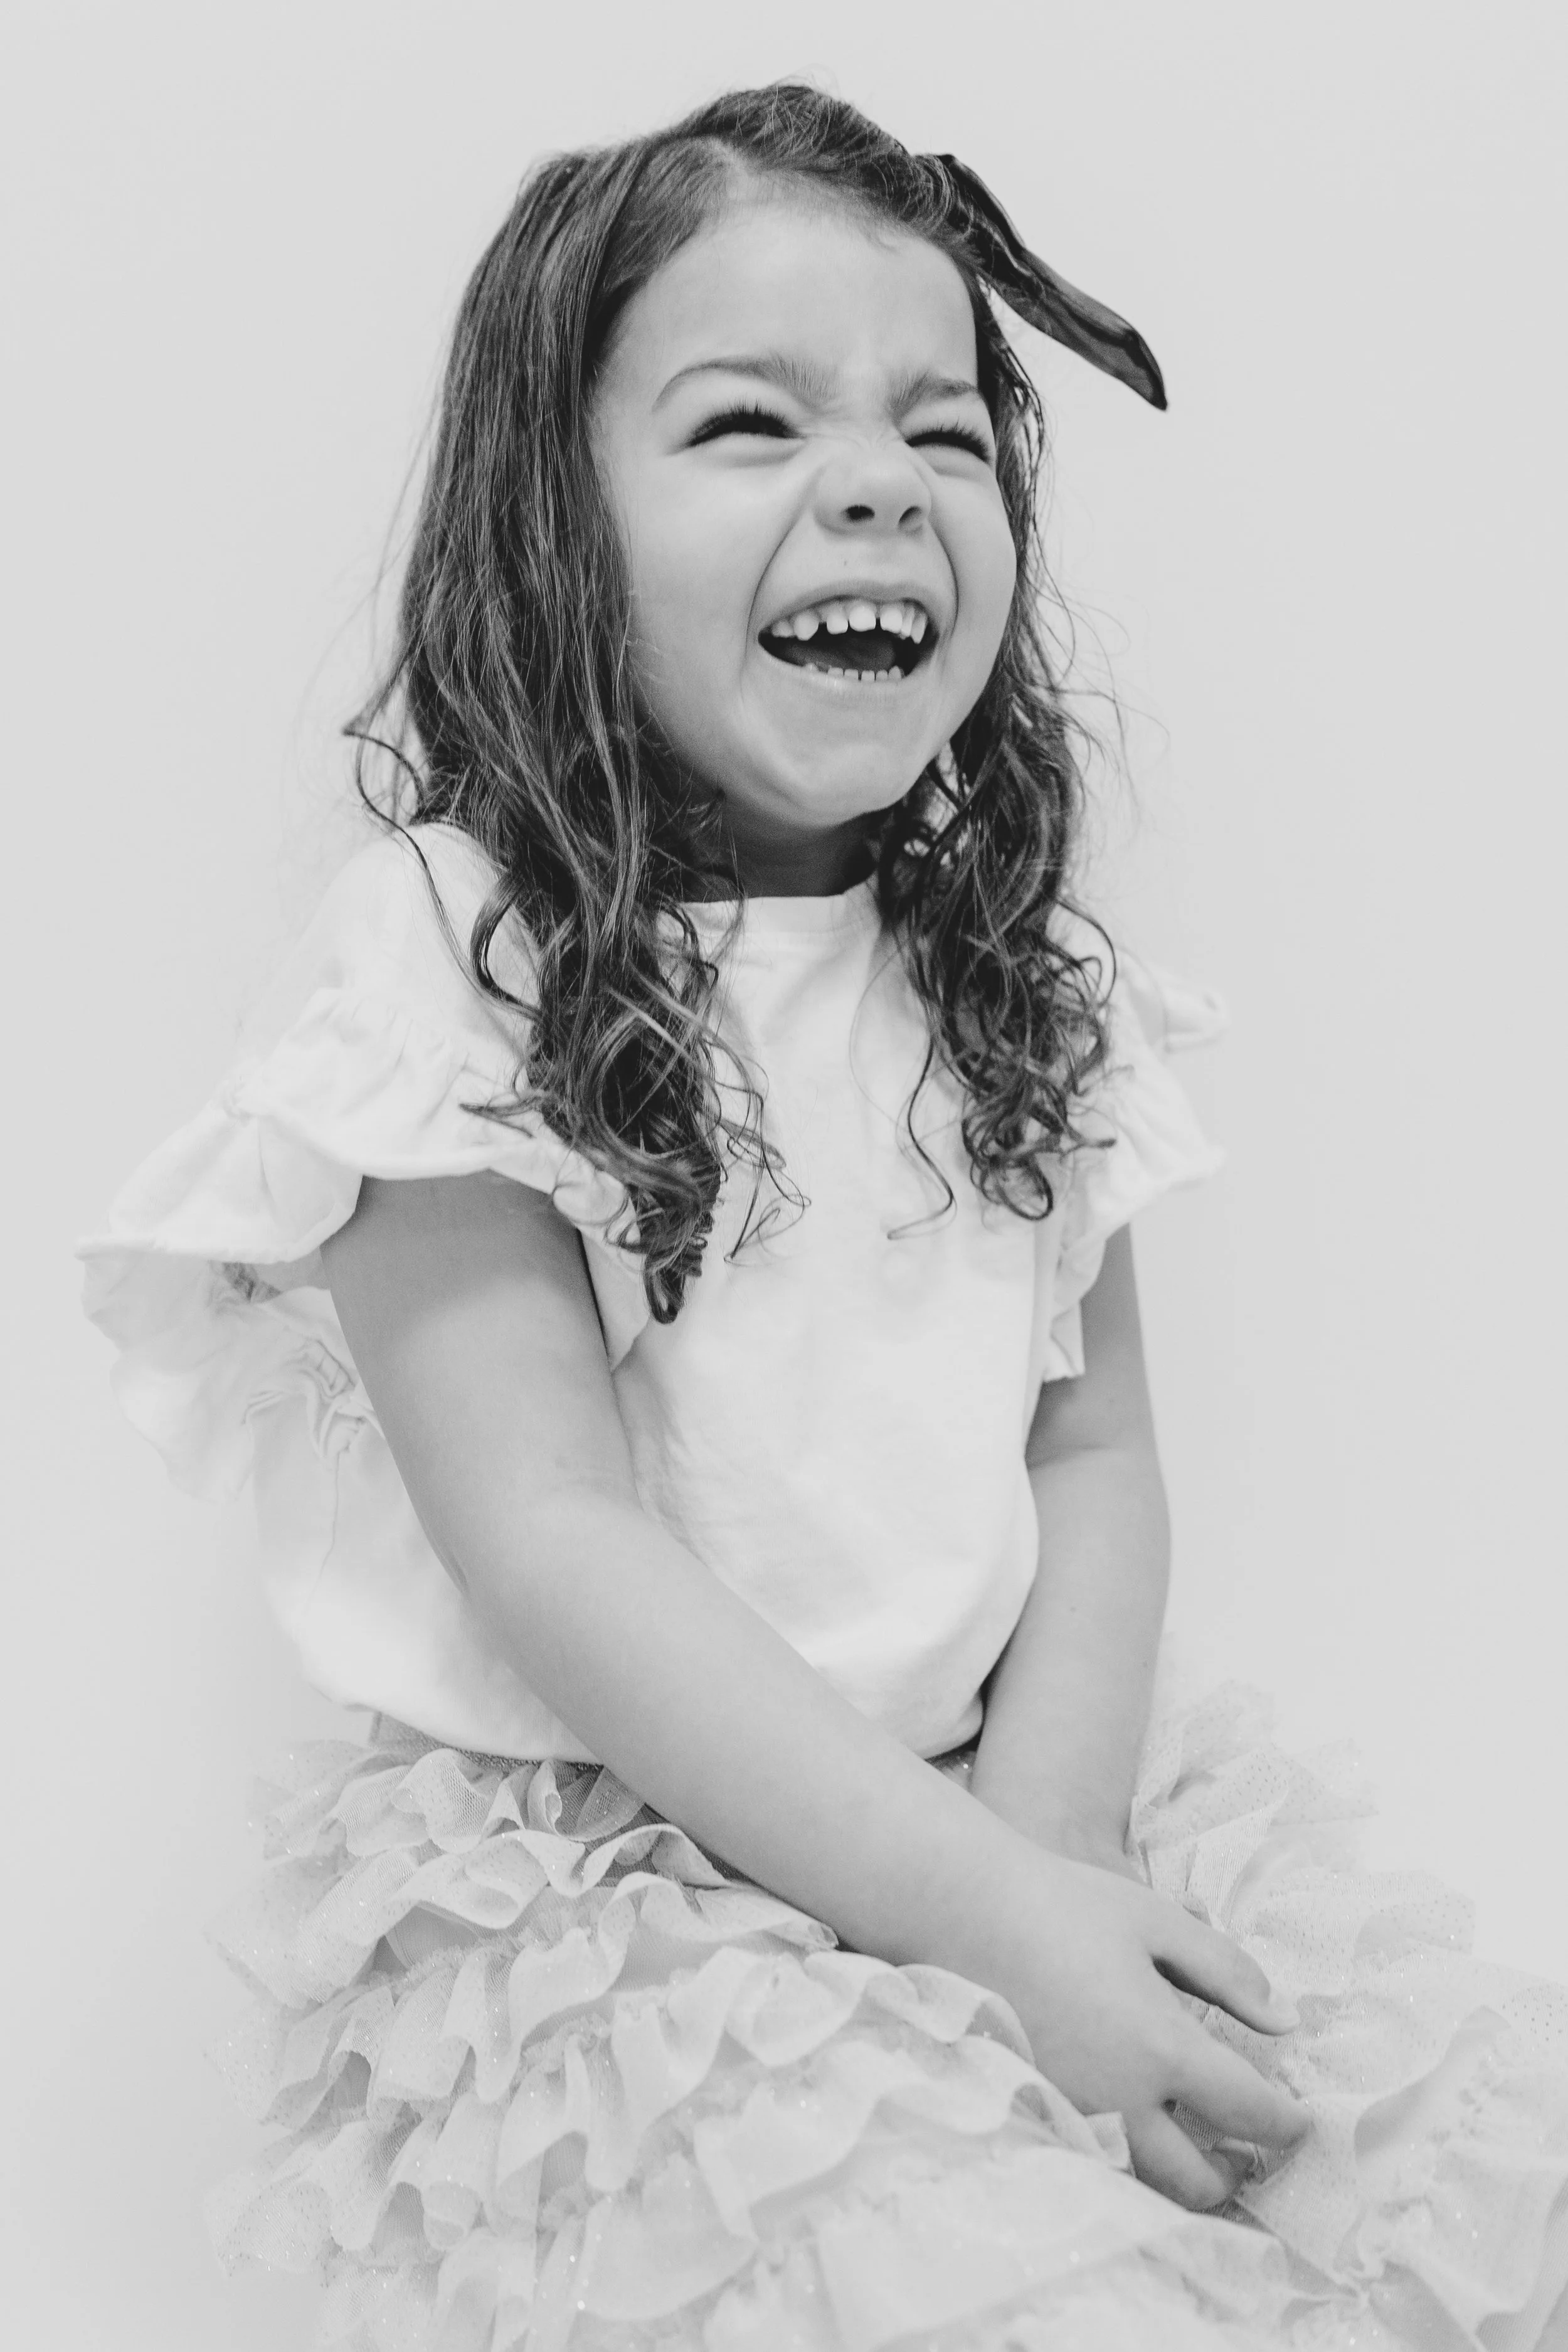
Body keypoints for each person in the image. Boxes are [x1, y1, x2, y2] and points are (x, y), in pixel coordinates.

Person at [80, 83, 1567, 2352]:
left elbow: (1091, 1447)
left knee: (1434, 2190)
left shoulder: (1015, 976)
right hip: (628, 1881)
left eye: (940, 431)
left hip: (1008, 1788)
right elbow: (552, 1538)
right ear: (554, 524)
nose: (876, 481)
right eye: (748, 422)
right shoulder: (449, 964)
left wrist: (1051, 1858)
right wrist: (977, 1923)